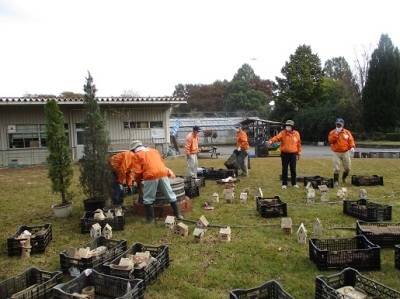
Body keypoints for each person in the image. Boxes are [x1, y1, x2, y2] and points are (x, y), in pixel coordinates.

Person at [130, 140, 183, 223]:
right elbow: (161, 162)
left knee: (148, 198)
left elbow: (138, 172)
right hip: (162, 173)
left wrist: (138, 181)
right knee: (170, 194)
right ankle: (178, 215)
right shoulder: (154, 151)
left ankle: (150, 219)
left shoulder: (136, 155)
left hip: (151, 176)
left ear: (133, 150)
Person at [267, 120, 302, 189]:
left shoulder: (296, 134)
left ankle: (294, 183)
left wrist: (299, 153)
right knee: (285, 169)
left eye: (289, 126)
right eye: (287, 126)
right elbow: (276, 138)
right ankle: (284, 184)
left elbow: (298, 144)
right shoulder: (283, 133)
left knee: (293, 169)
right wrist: (270, 141)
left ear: (292, 127)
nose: (287, 127)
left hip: (293, 154)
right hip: (284, 154)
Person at [328, 118, 356, 187]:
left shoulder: (347, 132)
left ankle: (344, 177)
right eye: (337, 125)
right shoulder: (332, 132)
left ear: (343, 125)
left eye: (340, 125)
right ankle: (336, 181)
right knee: (336, 168)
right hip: (336, 152)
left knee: (348, 168)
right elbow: (331, 141)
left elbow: (351, 140)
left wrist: (352, 147)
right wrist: (336, 134)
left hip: (345, 152)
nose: (338, 126)